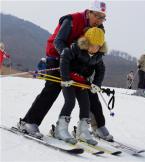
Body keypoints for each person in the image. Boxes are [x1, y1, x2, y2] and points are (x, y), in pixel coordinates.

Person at [17, 0, 107, 139]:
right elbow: (58, 41)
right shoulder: (72, 20)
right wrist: (66, 56)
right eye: (97, 16)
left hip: (77, 60)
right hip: (56, 55)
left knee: (89, 90)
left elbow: (98, 48)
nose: (100, 20)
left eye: (103, 17)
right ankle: (29, 122)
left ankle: (98, 126)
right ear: (89, 13)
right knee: (52, 88)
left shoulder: (99, 28)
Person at [53, 27, 106, 145]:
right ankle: (60, 129)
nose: (94, 48)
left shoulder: (98, 56)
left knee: (86, 104)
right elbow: (64, 57)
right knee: (70, 102)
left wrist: (97, 84)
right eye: (92, 44)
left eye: (98, 46)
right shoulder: (76, 48)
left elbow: (101, 70)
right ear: (86, 42)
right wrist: (65, 78)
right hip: (69, 81)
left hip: (82, 82)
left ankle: (83, 131)